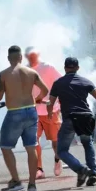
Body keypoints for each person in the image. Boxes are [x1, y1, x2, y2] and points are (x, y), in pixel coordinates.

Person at [0, 46, 48, 191]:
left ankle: (16, 180)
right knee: (31, 147)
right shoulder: (31, 72)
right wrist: (37, 99)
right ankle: (32, 185)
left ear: (8, 58)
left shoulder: (3, 74)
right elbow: (45, 90)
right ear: (20, 58)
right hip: (31, 111)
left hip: (14, 113)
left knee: (6, 147)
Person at [48, 57, 96, 186]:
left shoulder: (58, 83)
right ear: (77, 68)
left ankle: (80, 169)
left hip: (70, 118)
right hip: (86, 117)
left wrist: (49, 113)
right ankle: (93, 172)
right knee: (88, 144)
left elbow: (51, 103)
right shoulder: (86, 82)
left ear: (65, 68)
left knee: (62, 151)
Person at [24, 47, 63, 179]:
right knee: (33, 141)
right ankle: (39, 169)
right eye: (29, 56)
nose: (32, 58)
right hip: (32, 111)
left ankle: (58, 160)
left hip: (51, 110)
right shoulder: (24, 70)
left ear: (38, 55)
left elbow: (61, 83)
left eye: (34, 55)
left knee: (56, 140)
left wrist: (60, 102)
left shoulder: (48, 67)